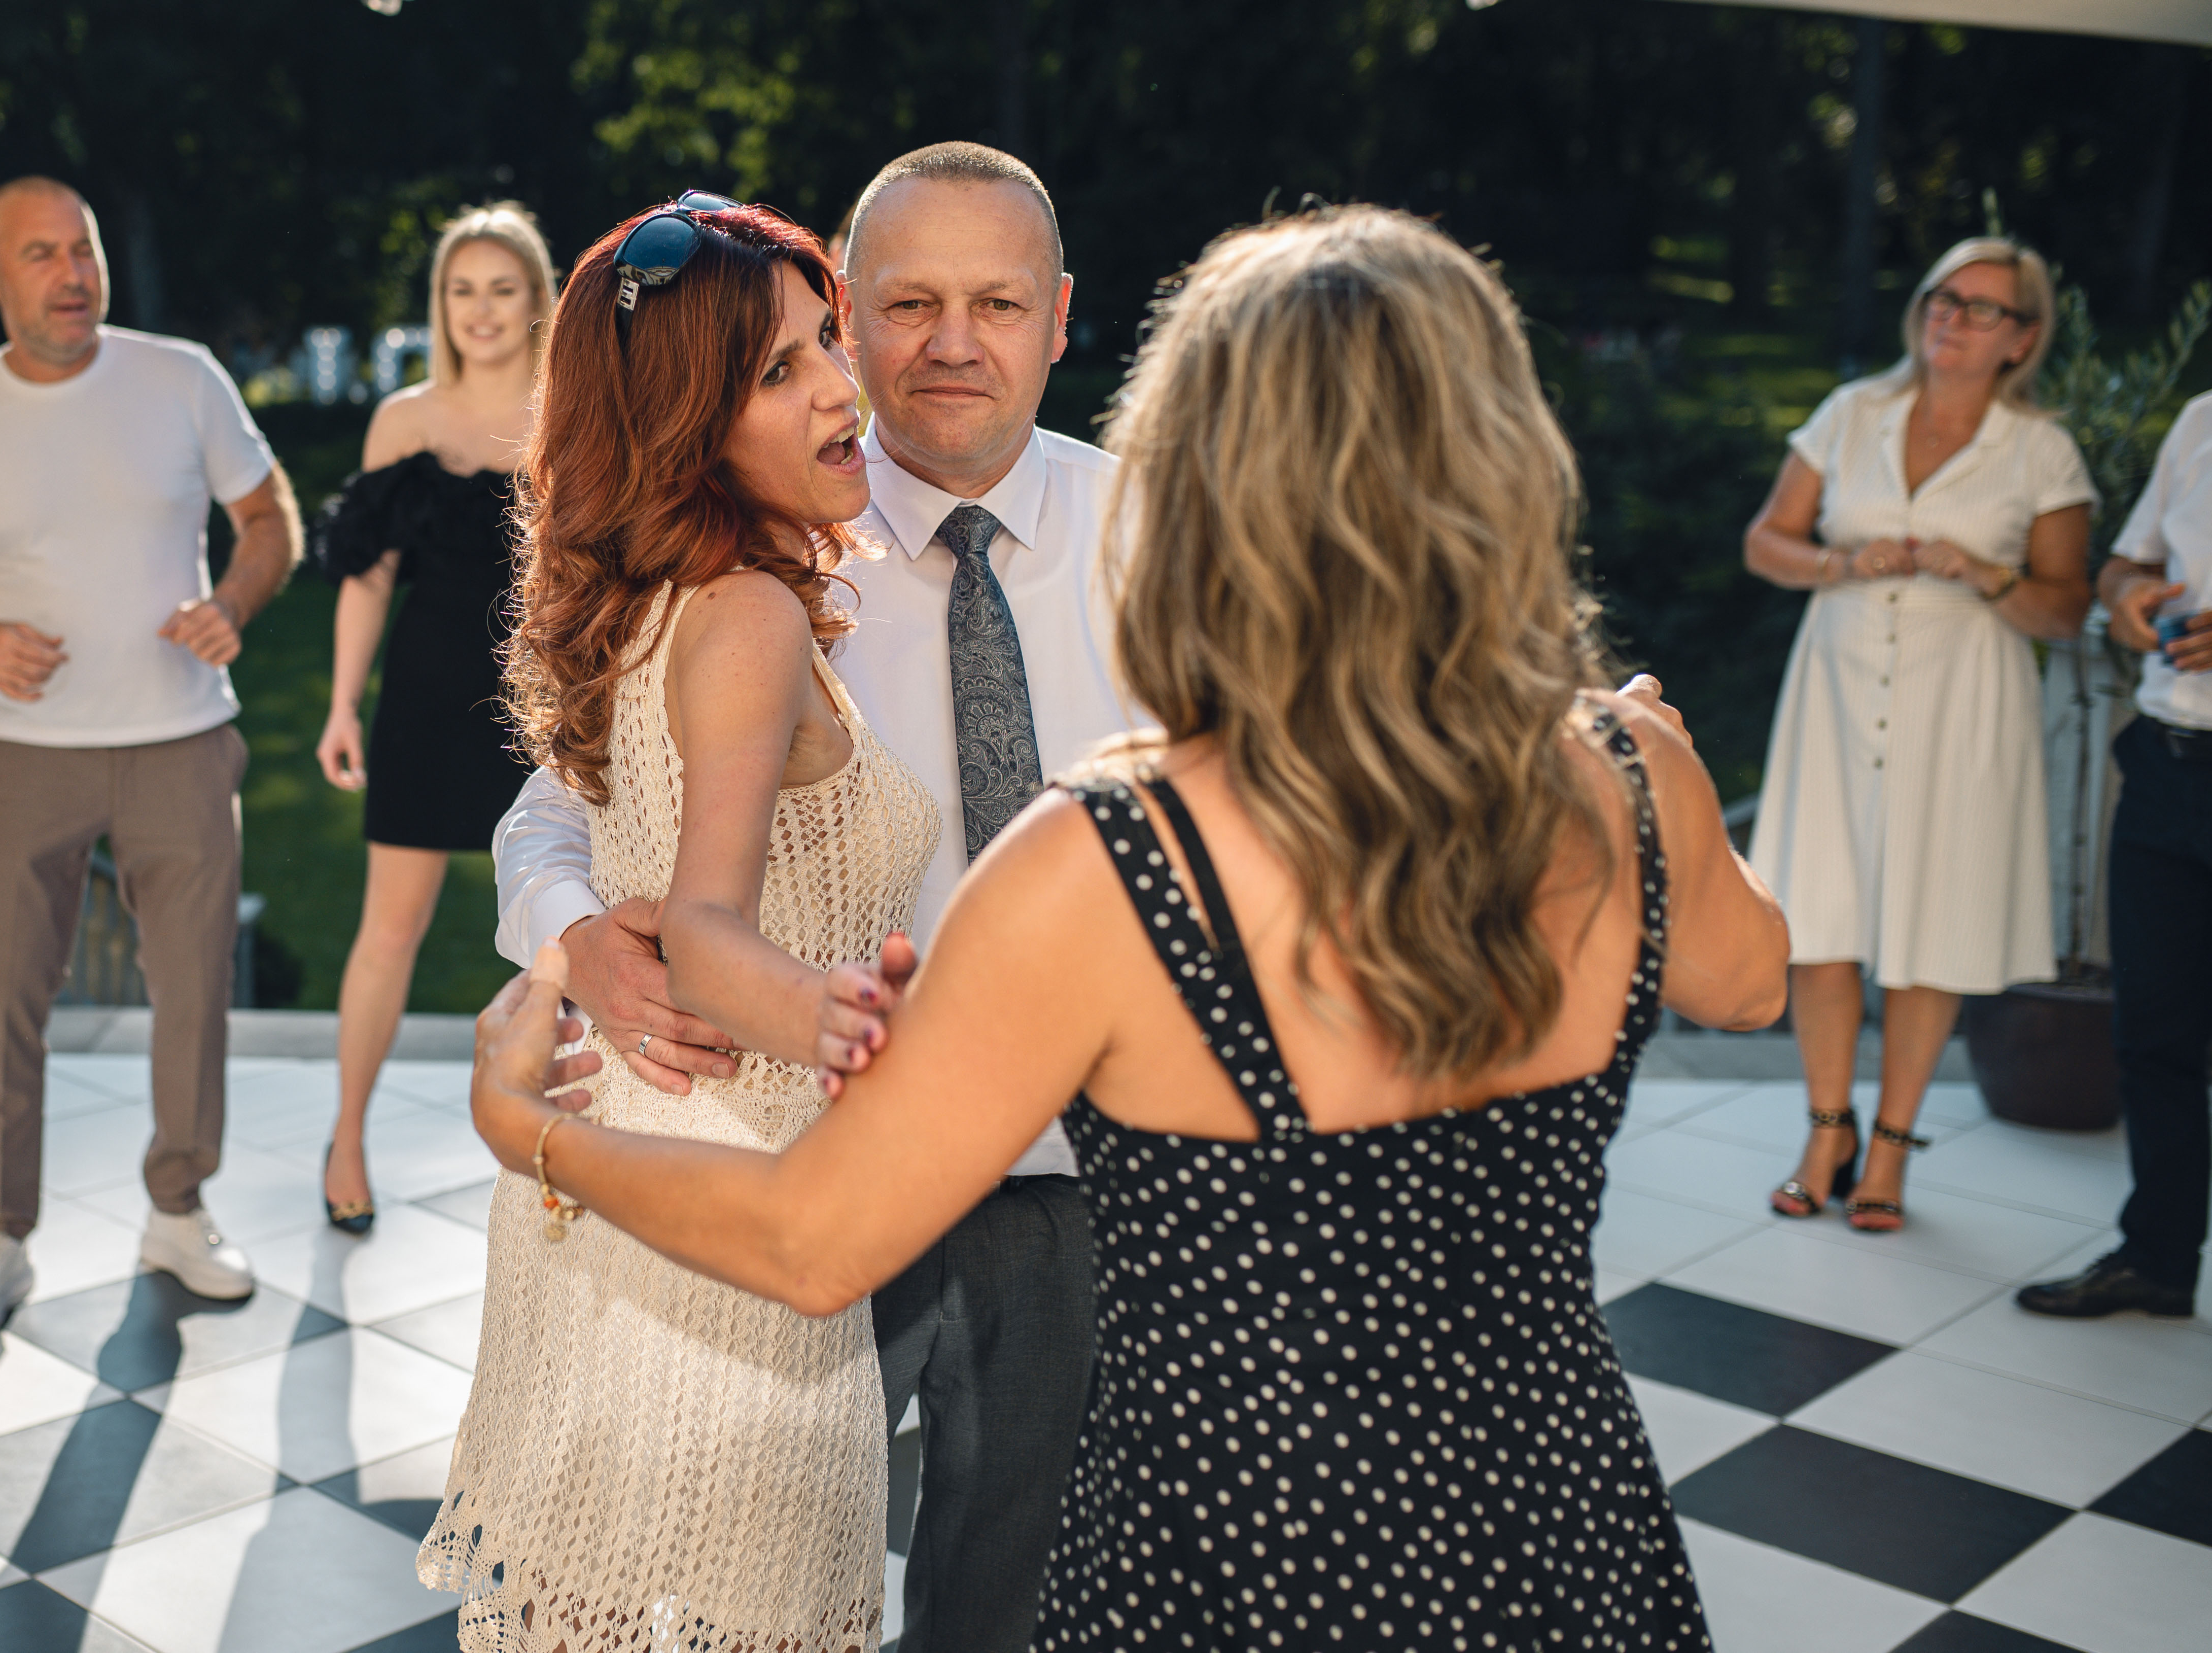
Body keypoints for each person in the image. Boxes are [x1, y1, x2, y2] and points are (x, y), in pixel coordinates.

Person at [470, 203, 1790, 1653]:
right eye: (896, 310)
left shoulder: (1112, 850)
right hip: (1556, 1544)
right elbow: (1746, 981)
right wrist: (1651, 774)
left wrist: (530, 1131)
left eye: (998, 303)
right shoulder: (1625, 770)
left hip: (1232, 1553)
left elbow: (809, 1239)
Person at [491, 143, 1126, 1651]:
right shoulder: (770, 539)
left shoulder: (1160, 531)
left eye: (997, 304)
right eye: (905, 305)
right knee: (734, 1576)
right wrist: (582, 942)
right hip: (806, 1160)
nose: (950, 344)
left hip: (1077, 1169)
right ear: (852, 306)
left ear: (1057, 317)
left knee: (1007, 1593)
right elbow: (561, 803)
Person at [417, 195, 933, 1651]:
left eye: (826, 339)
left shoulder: (656, 602)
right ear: (686, 425)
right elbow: (702, 932)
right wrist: (863, 1027)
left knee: (587, 1613)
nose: (838, 384)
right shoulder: (749, 614)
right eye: (778, 369)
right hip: (732, 1201)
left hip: (622, 1182)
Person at [0, 176, 302, 1339]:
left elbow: (270, 518)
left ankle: (179, 1209)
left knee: (194, 990)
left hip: (181, 741)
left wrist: (233, 602)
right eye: (41, 255)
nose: (73, 275)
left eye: (85, 249)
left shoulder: (183, 378)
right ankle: (1, 1237)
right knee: (5, 998)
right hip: (28, 755)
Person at [1744, 237, 2093, 1233]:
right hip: (1838, 679)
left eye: (1982, 307)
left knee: (1930, 923)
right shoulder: (1851, 413)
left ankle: (1890, 1148)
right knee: (1818, 914)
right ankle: (1826, 1132)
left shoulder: (2041, 451)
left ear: (2020, 337)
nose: (1951, 316)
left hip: (1964, 698)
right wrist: (1838, 563)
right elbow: (1765, 542)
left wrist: (1985, 573)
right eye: (1944, 296)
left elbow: (2066, 609)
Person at [311, 203, 554, 1235]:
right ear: (440, 304)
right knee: (389, 931)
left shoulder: (572, 407)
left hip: (545, 706)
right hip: (420, 695)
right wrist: (341, 704)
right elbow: (367, 577)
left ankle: (559, 1151)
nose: (481, 310)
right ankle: (346, 1137)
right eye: (462, 291)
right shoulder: (403, 422)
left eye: (502, 289)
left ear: (537, 299)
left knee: (560, 936)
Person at [2018, 393, 2212, 1320]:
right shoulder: (2203, 420)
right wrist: (2129, 598)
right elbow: (2129, 563)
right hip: (2169, 762)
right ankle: (2159, 1260)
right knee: (2154, 1036)